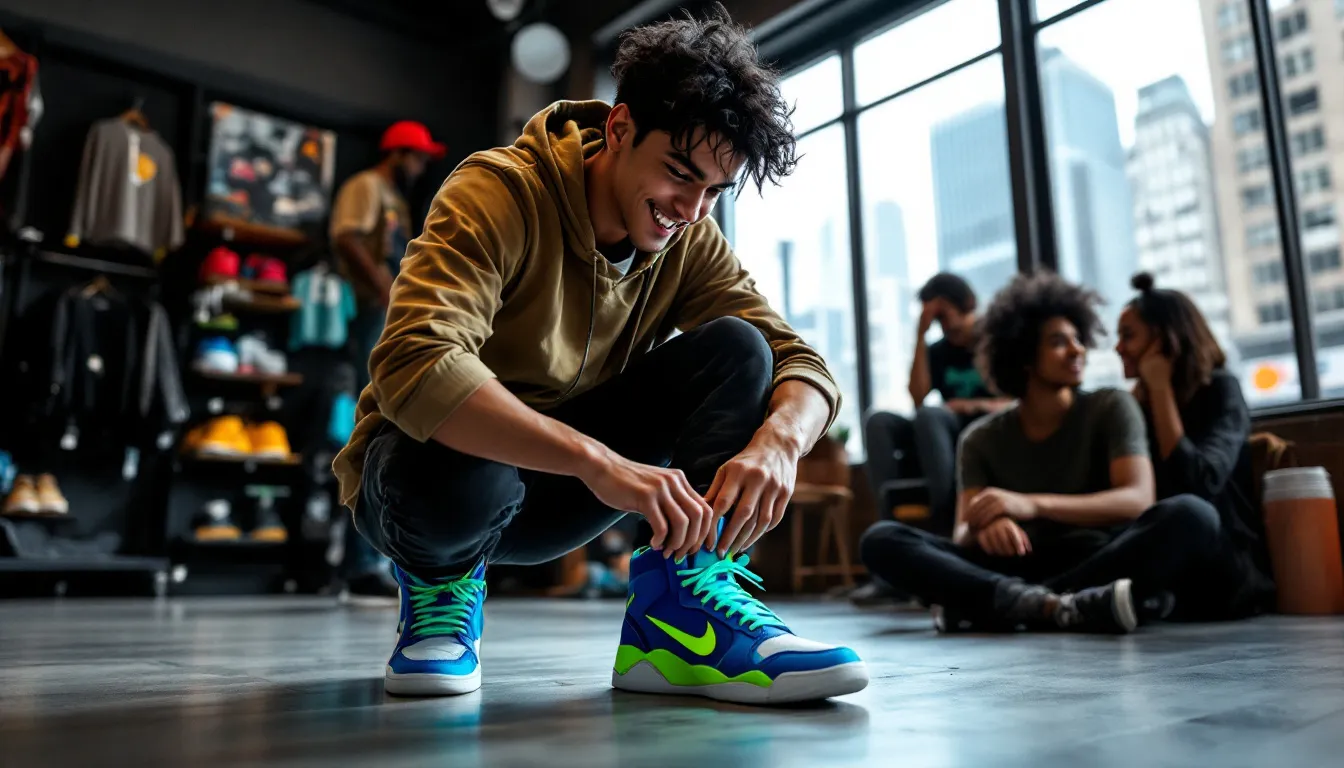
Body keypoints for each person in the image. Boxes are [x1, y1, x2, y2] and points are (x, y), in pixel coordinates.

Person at [331, 8, 868, 703]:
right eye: (679, 173)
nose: (692, 209)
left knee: (739, 349)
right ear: (618, 130)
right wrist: (601, 463)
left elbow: (800, 361)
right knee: (452, 433)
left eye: (713, 190)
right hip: (428, 486)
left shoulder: (688, 237)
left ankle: (678, 619)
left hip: (562, 495)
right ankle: (440, 586)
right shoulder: (499, 190)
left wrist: (780, 442)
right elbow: (417, 360)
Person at [861, 272, 1228, 634]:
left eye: (1077, 339)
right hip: (1011, 564)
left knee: (1193, 515)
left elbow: (1136, 499)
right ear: (1024, 359)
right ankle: (1062, 605)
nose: (1077, 350)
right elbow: (963, 534)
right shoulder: (980, 439)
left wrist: (1030, 505)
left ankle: (1010, 604)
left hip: (1095, 556)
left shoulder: (1111, 407)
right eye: (1058, 342)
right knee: (882, 540)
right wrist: (987, 523)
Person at [1114, 272, 1275, 618]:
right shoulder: (1133, 407)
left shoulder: (1221, 390)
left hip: (1225, 566)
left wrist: (1160, 389)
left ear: (1166, 342)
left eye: (1128, 336)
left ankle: (1045, 598)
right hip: (1167, 567)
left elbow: (1198, 482)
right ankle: (1049, 598)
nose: (1118, 347)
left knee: (1187, 512)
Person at [329, 120, 444, 600]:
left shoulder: (394, 199)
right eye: (416, 158)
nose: (420, 168)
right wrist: (385, 291)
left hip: (389, 314)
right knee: (375, 424)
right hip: (371, 313)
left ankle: (375, 560)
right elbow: (347, 238)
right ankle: (360, 566)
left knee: (397, 423)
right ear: (397, 153)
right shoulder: (366, 186)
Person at [864, 273, 1009, 531]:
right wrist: (920, 334)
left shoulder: (997, 339)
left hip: (986, 425)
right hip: (943, 431)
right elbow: (918, 397)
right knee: (878, 421)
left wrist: (972, 406)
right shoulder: (939, 351)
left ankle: (946, 521)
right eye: (935, 317)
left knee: (931, 416)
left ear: (966, 304)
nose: (941, 323)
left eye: (943, 314)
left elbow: (1019, 402)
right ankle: (888, 522)